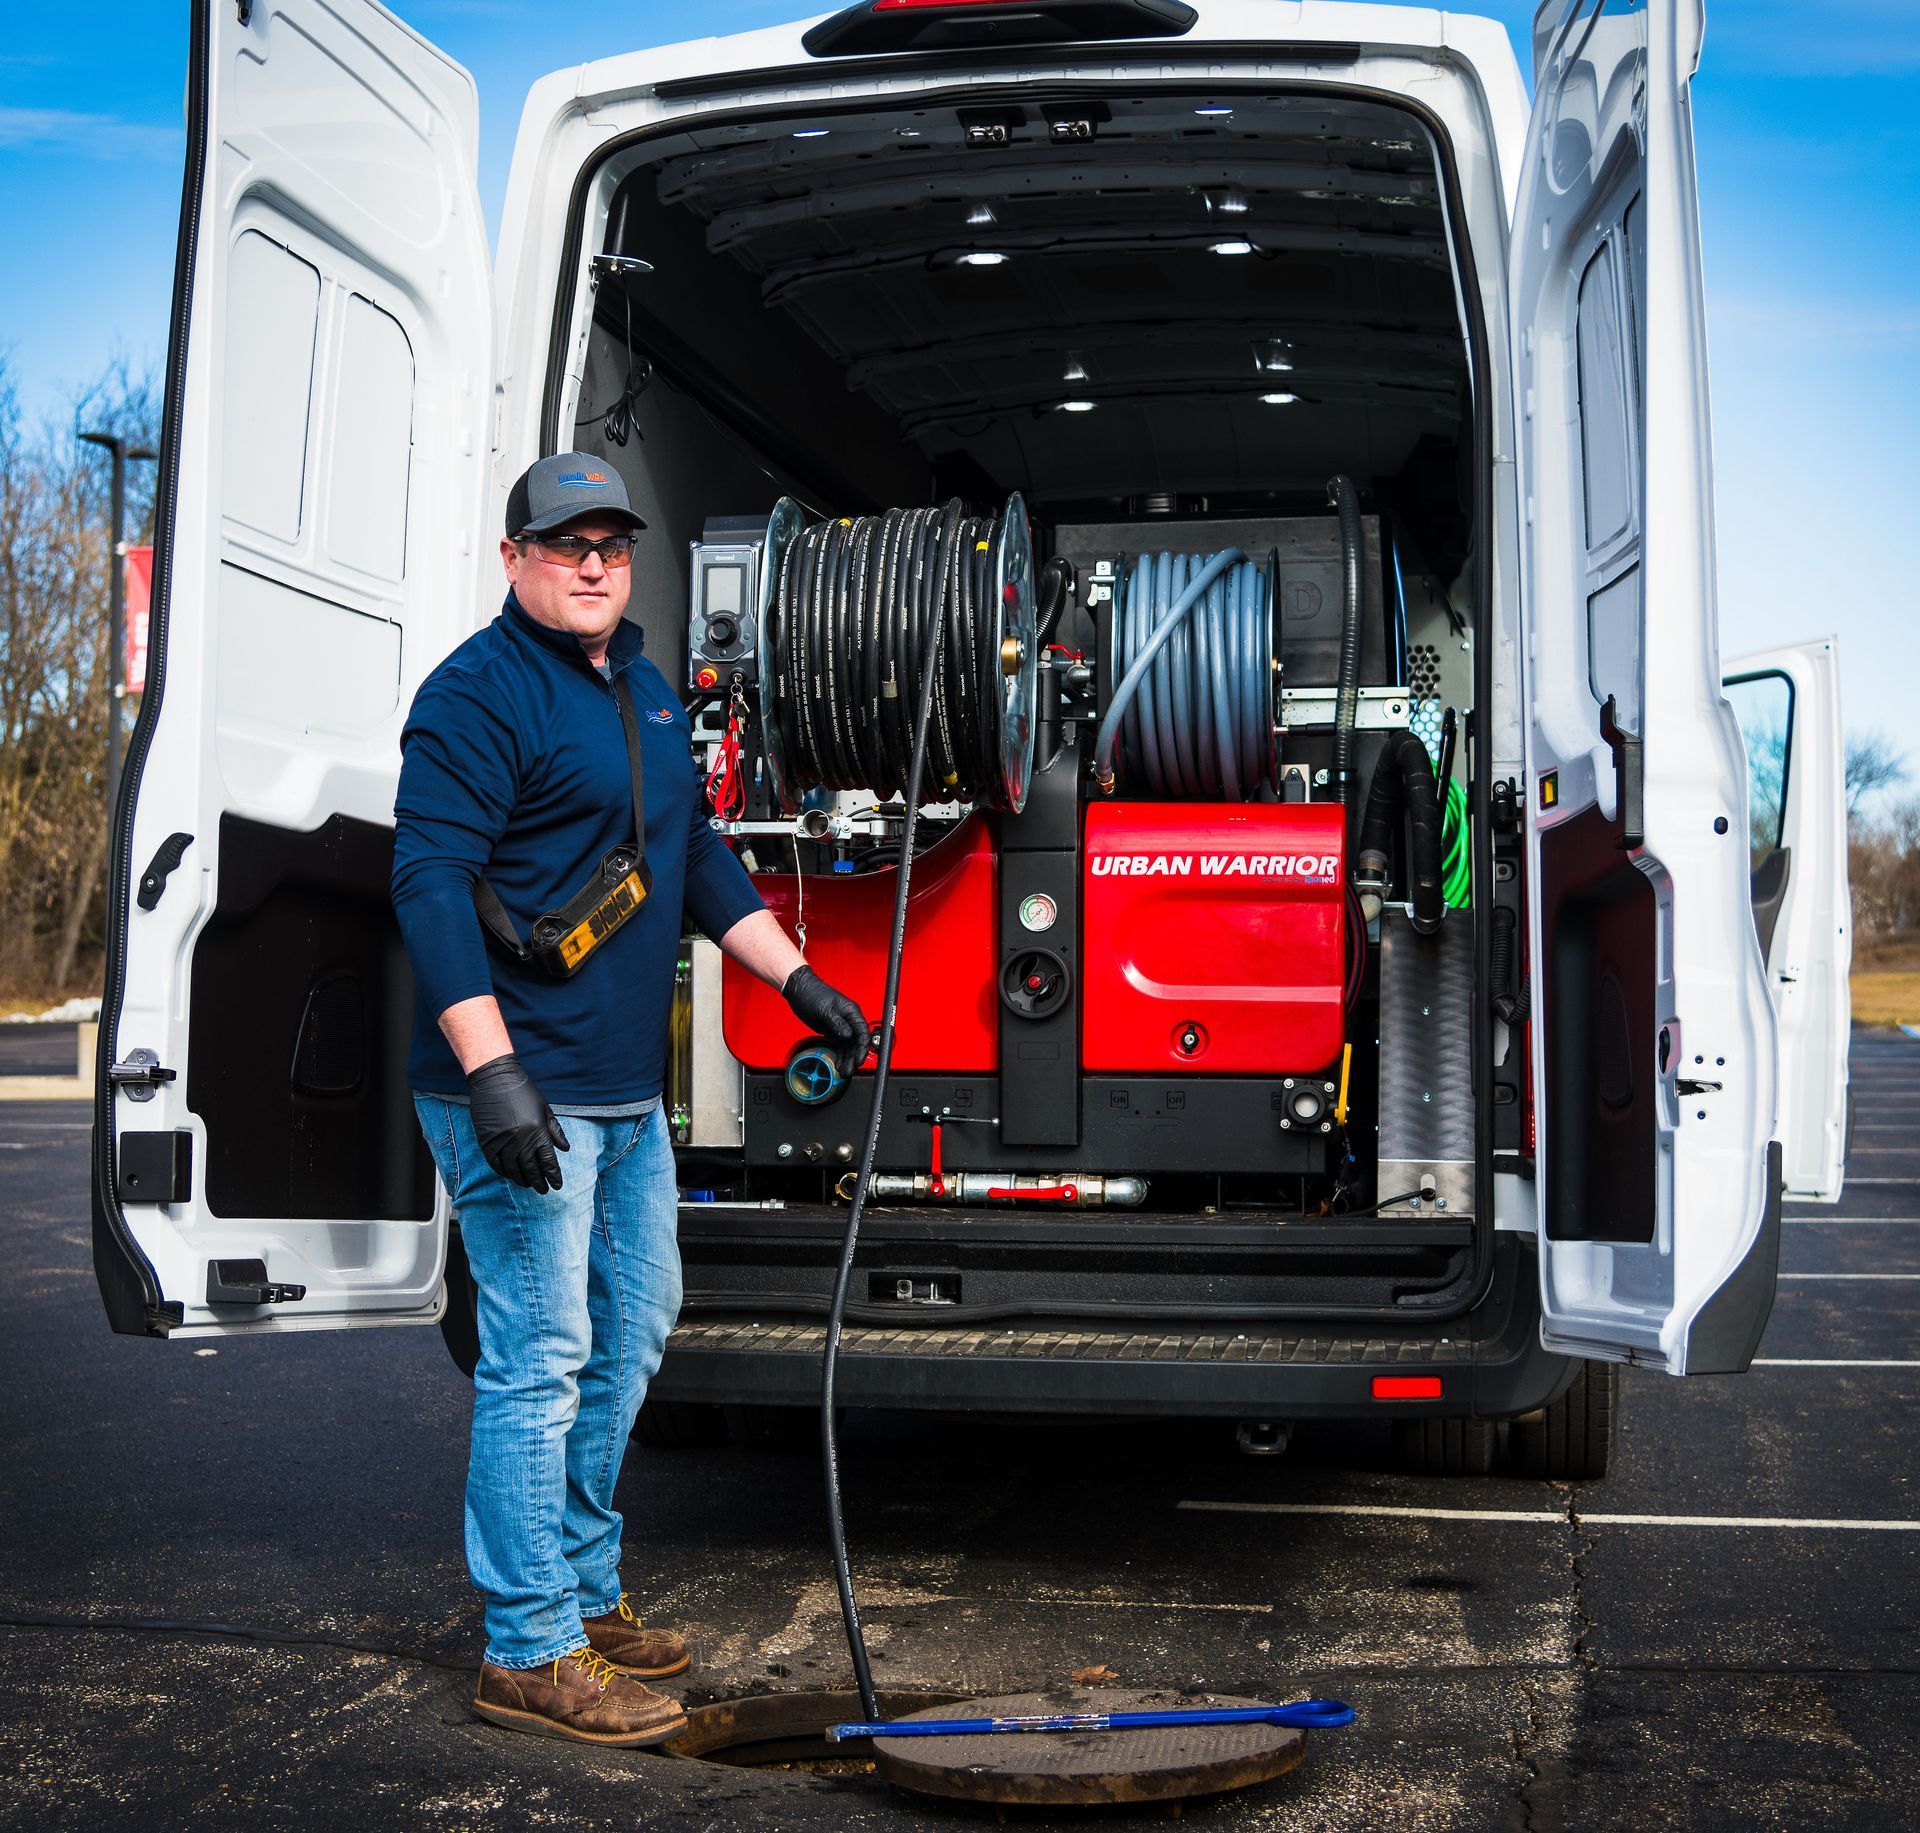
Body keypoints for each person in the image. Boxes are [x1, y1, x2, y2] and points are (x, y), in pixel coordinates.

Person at [391, 452, 867, 1747]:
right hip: (517, 1091)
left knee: (636, 1325)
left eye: (610, 538)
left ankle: (585, 1589)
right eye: (564, 541)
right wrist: (490, 1070)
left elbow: (693, 856)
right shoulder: (474, 695)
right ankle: (528, 1643)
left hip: (622, 1097)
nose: (593, 560)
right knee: (539, 1358)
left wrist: (797, 978)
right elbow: (429, 882)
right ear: (514, 559)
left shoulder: (644, 692)